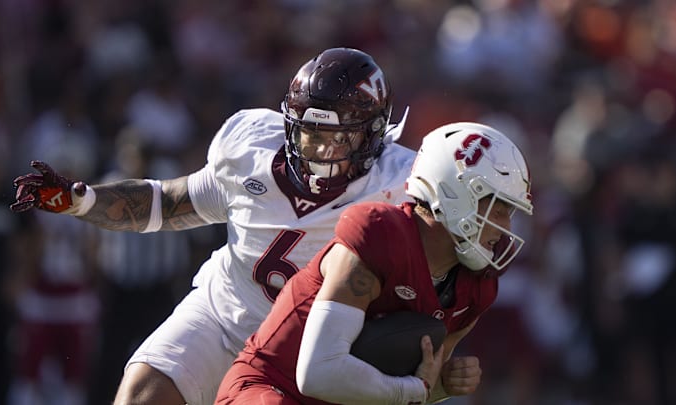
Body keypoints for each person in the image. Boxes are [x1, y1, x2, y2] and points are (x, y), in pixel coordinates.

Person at [10, 47, 417, 405]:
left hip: (314, 348)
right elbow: (167, 203)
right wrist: (84, 201)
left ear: (373, 135)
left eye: (339, 138)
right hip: (226, 312)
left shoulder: (401, 185)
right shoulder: (250, 150)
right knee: (143, 393)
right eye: (312, 134)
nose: (322, 152)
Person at [216, 121, 534, 404]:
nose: (506, 226)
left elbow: (419, 384)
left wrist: (444, 385)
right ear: (456, 195)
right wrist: (416, 391)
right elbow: (318, 373)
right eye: (498, 207)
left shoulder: (477, 285)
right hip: (273, 388)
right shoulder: (380, 235)